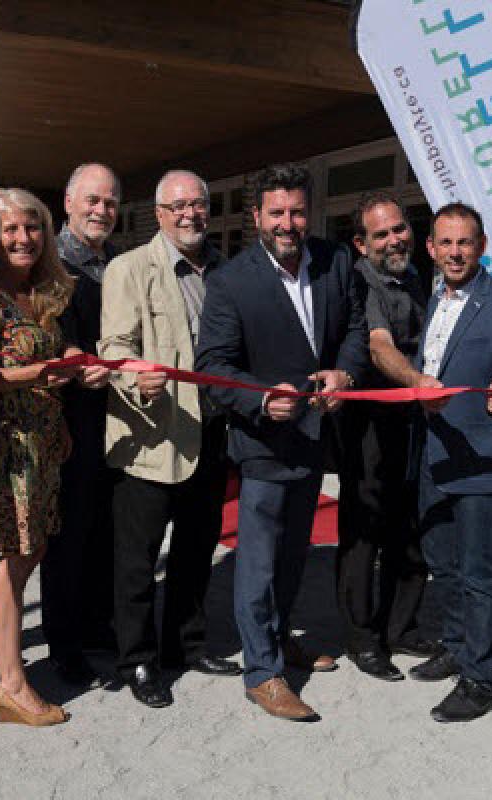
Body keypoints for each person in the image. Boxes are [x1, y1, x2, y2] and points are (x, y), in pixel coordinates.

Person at [196, 162, 369, 721]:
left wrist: (345, 372)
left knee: (293, 555)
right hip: (264, 440)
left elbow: (355, 331)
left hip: (316, 438)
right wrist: (258, 398)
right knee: (260, 561)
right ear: (257, 217)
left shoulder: (337, 260)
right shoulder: (230, 280)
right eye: (277, 212)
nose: (288, 222)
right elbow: (213, 365)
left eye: (296, 211)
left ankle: (277, 638)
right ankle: (263, 672)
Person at [0, 188, 109, 726]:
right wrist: (32, 375)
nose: (23, 238)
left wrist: (71, 359)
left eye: (32, 227)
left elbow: (53, 349)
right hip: (5, 444)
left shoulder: (43, 292)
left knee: (27, 554)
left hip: (42, 438)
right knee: (10, 557)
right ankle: (12, 685)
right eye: (10, 230)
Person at [100, 169, 243, 709]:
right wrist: (136, 376)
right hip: (151, 438)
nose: (190, 214)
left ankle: (186, 644)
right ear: (158, 214)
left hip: (211, 435)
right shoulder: (128, 269)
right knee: (137, 561)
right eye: (178, 205)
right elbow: (113, 347)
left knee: (194, 550)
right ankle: (136, 658)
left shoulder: (223, 274)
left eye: (198, 205)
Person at [408, 202, 492, 723]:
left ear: (481, 247)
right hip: (434, 452)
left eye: (465, 243)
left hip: (482, 457)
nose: (455, 252)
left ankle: (480, 679)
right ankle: (458, 643)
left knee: (479, 572)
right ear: (432, 249)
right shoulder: (433, 299)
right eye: (446, 243)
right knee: (442, 560)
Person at [336, 191, 437, 682]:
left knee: (410, 522)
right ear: (361, 243)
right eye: (381, 233)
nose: (395, 239)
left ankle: (403, 625)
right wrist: (420, 383)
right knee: (365, 530)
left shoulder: (418, 276)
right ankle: (363, 638)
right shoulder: (363, 282)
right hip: (371, 421)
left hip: (415, 418)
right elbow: (379, 348)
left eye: (399, 228)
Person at [40, 162, 121, 686]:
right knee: (67, 532)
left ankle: (96, 624)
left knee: (103, 525)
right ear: (68, 204)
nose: (101, 210)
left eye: (111, 203)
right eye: (92, 200)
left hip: (112, 413)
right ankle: (63, 641)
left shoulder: (116, 264)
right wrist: (70, 358)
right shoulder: (48, 264)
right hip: (67, 415)